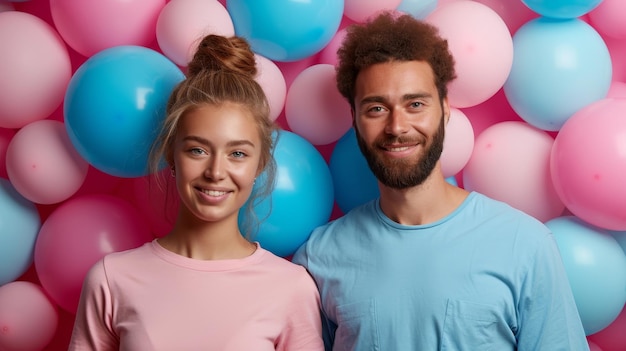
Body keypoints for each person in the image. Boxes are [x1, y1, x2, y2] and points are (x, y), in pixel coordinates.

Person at [292, 11, 589, 351]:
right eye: (376, 108)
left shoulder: (525, 245)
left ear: (445, 110)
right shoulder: (319, 257)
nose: (398, 126)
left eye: (415, 104)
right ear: (355, 119)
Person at [69, 34, 324, 351]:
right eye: (198, 150)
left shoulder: (291, 288)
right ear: (172, 156)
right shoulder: (111, 280)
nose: (216, 172)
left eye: (238, 154)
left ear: (259, 165)